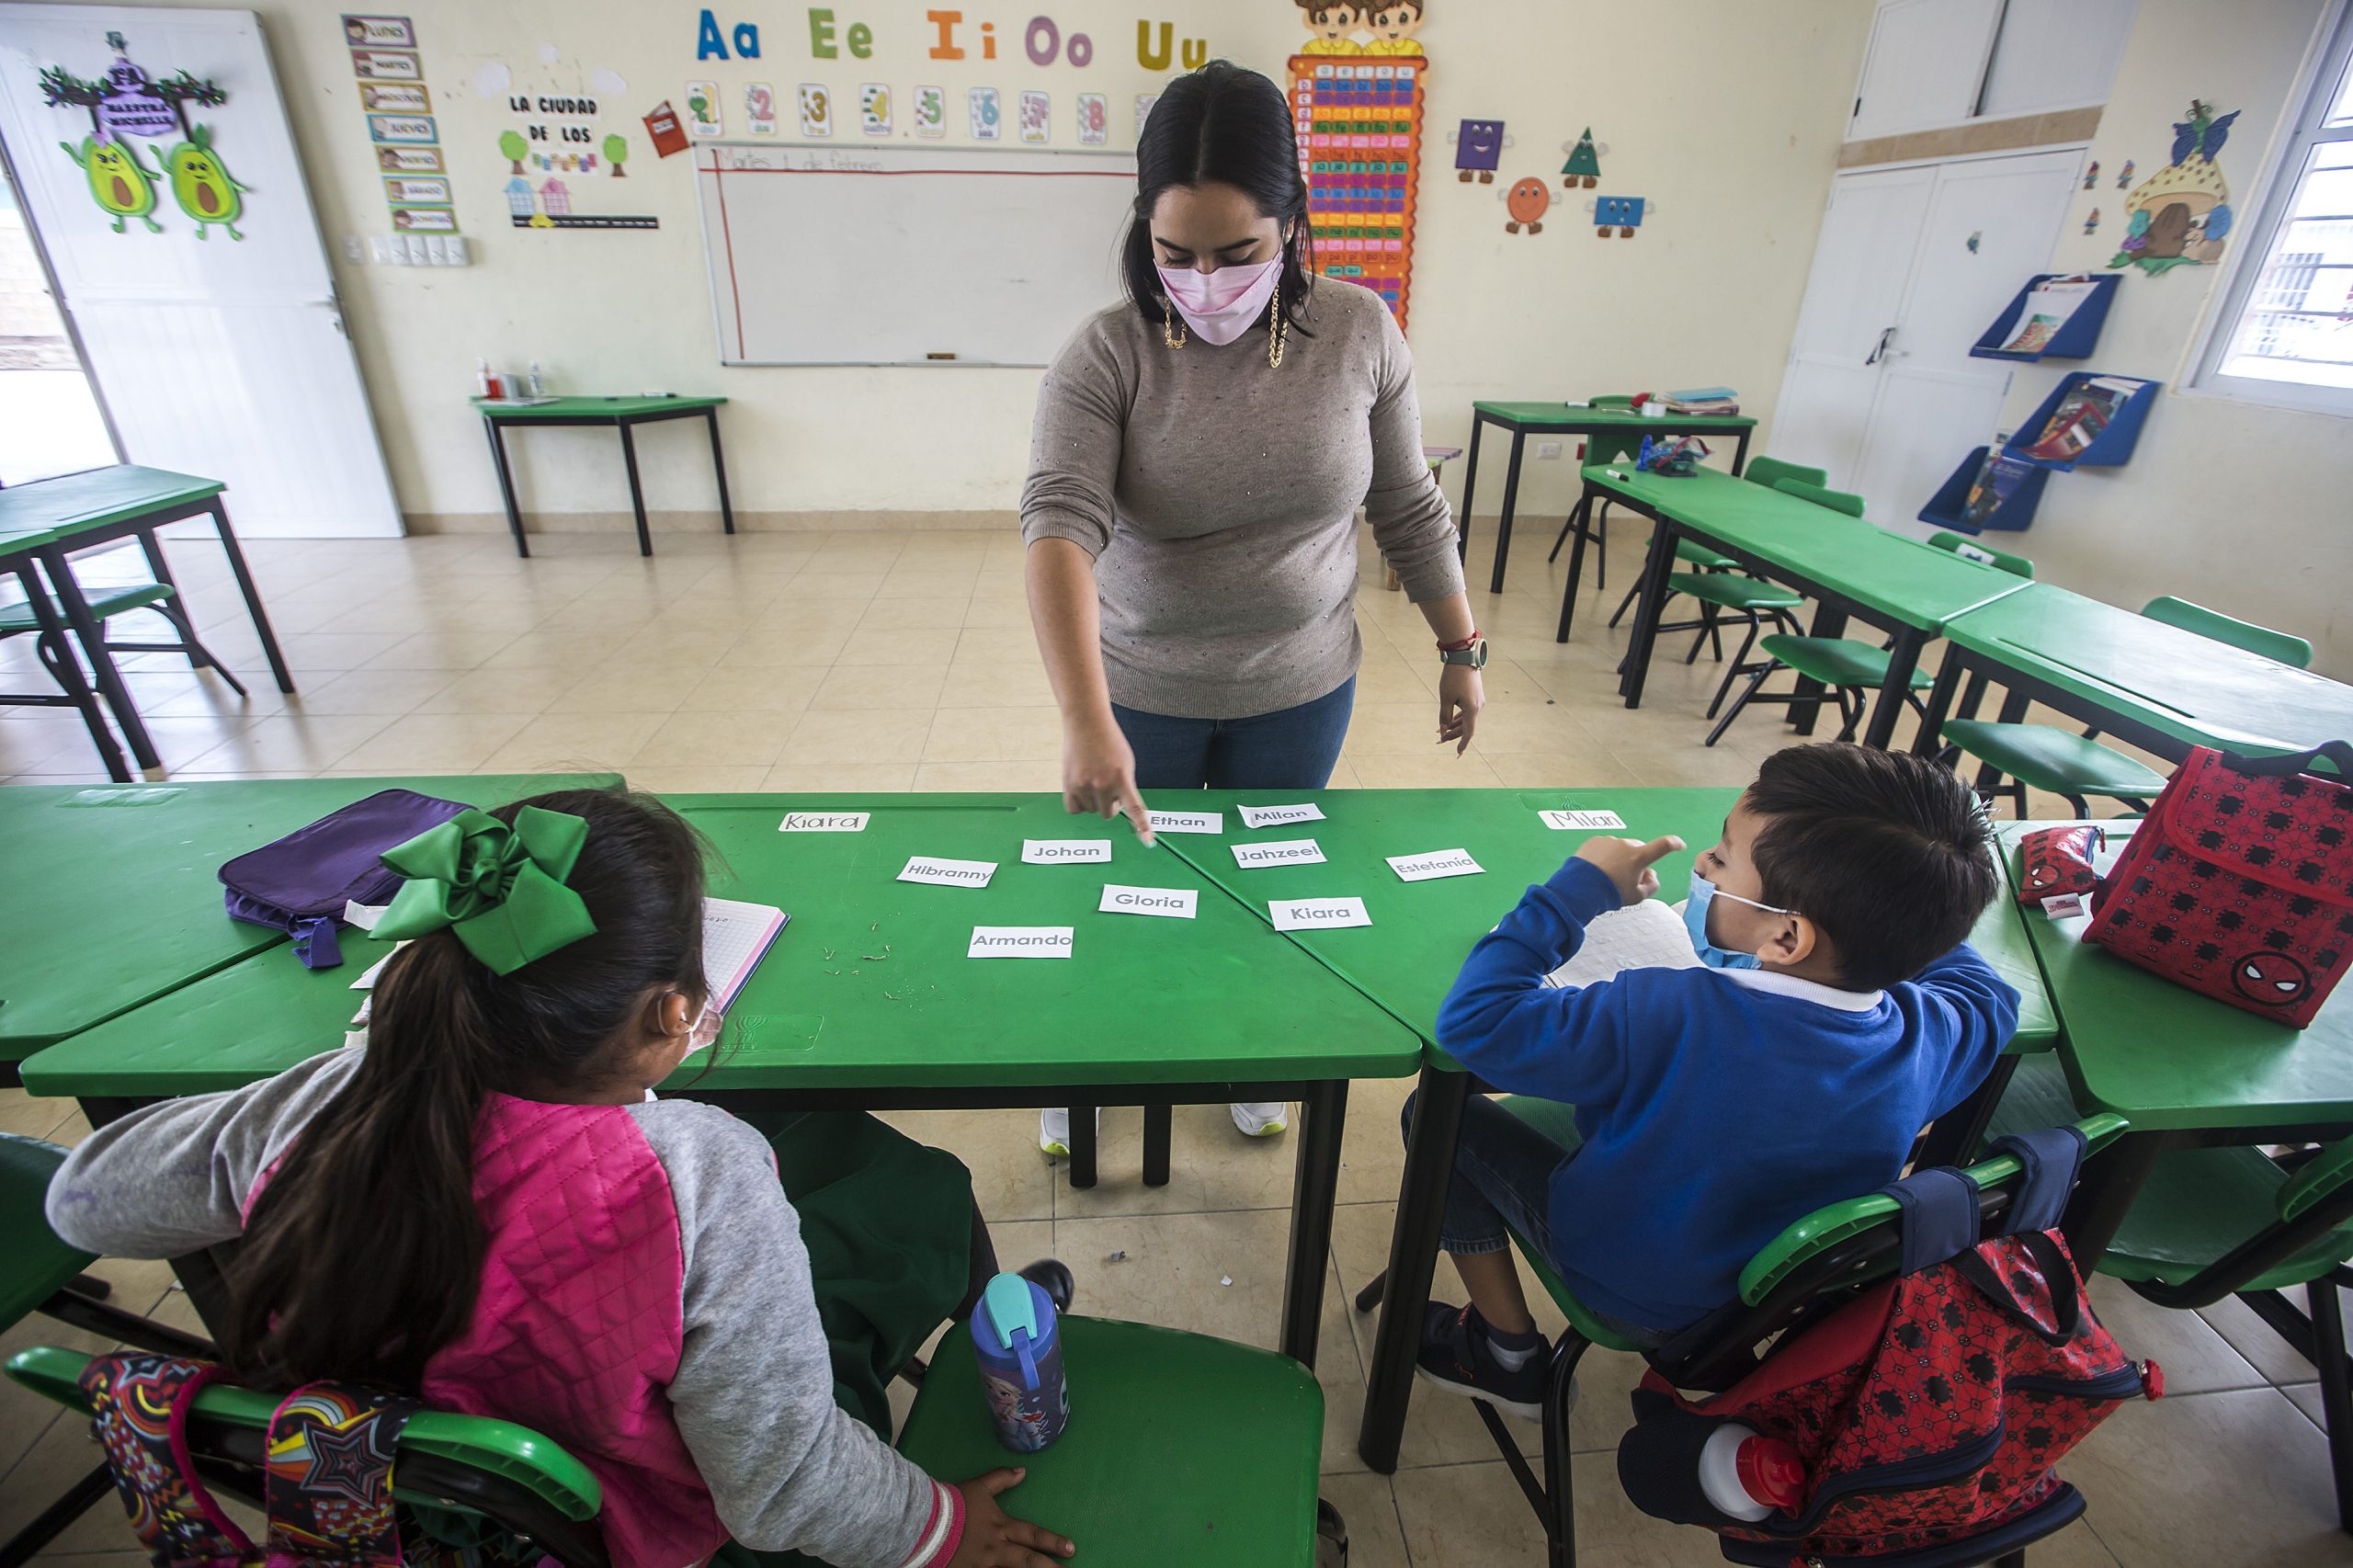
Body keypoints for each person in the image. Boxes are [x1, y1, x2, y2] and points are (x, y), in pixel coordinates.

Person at [46, 789, 1075, 1568]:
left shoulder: (335, 1097)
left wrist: (329, 1081)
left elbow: (84, 1198)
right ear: (675, 1014)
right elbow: (786, 1486)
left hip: (375, 1487)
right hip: (616, 1524)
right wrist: (940, 1528)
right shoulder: (697, 1169)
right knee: (900, 1203)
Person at [1022, 60, 1483, 1153]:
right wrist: (1086, 720)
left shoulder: (1359, 331)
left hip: (1301, 683)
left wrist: (1459, 647)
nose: (1205, 279)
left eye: (1237, 253)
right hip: (1142, 685)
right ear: (1143, 228)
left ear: (1292, 220)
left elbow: (1406, 502)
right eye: (1174, 253)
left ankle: (1249, 1047)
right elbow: (1058, 526)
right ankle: (1094, 1058)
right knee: (1127, 885)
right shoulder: (1106, 351)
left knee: (1265, 885)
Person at [1410, 744, 2016, 1417]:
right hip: (1768, 1299)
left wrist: (1575, 892)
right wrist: (1905, 911)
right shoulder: (1931, 1033)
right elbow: (1991, 994)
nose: (1702, 863)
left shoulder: (1669, 1014)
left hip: (1633, 1285)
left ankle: (1504, 1352)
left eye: (1723, 858)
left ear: (1787, 939)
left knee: (1436, 1115)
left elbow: (1475, 1023)